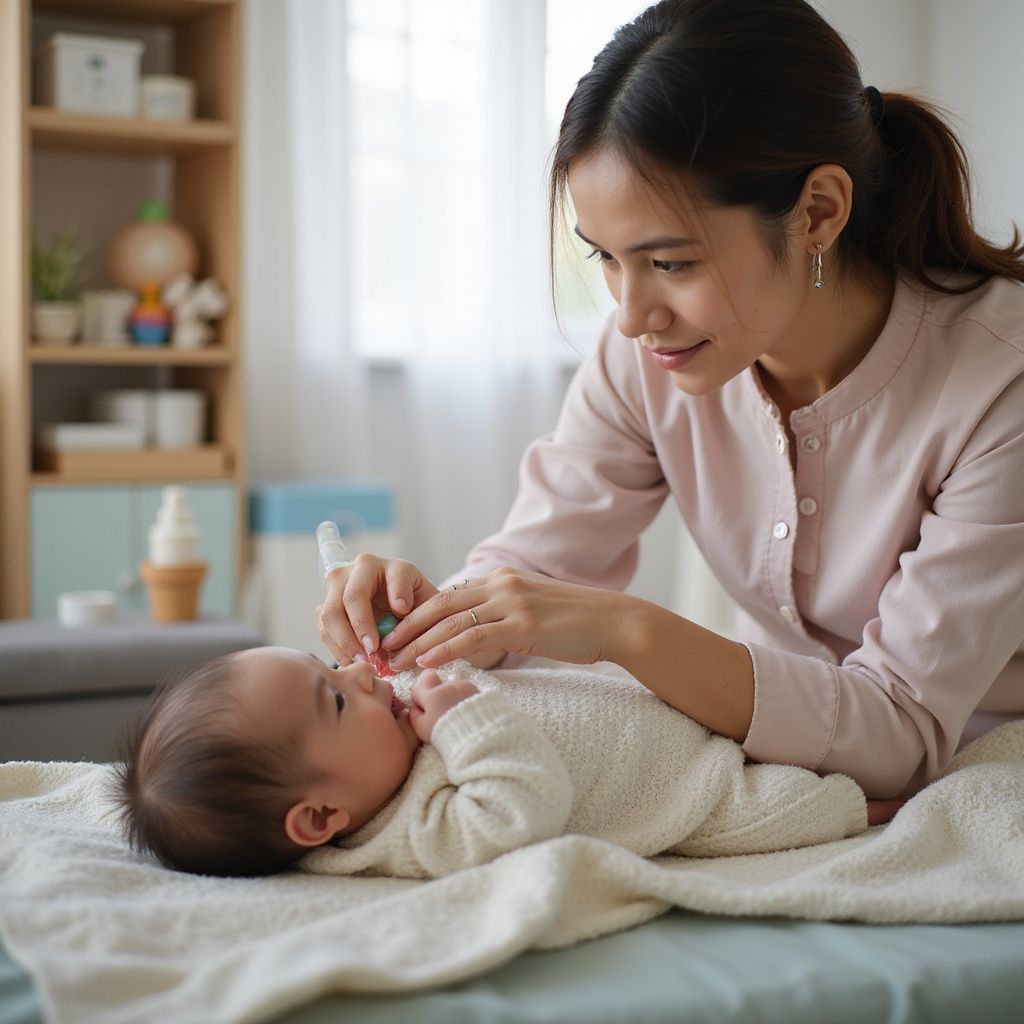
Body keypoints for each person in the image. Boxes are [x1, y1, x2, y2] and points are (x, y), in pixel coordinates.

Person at [316, 0, 1024, 800]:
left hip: (981, 762)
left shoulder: (1002, 385)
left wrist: (628, 630)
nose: (630, 316)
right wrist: (426, 616)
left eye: (672, 263)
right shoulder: (644, 356)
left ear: (819, 212)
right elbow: (536, 566)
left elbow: (902, 730)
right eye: (606, 260)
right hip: (773, 759)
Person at [113, 647, 894, 878]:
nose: (360, 678)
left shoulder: (393, 730)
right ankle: (884, 803)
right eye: (337, 700)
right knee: (818, 800)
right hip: (699, 784)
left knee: (805, 690)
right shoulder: (419, 830)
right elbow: (524, 810)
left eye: (332, 666)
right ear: (321, 817)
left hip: (660, 696)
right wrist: (466, 720)